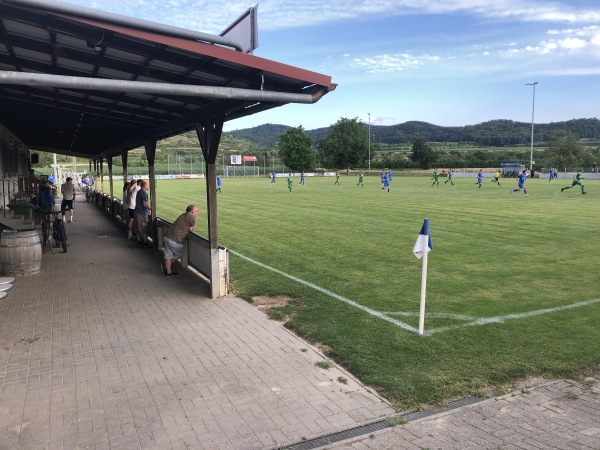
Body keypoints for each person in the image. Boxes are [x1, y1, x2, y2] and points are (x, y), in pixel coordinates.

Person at [162, 205, 199, 277]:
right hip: (175, 240)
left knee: (168, 255)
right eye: (196, 211)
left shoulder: (183, 215)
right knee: (178, 255)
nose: (197, 213)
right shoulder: (191, 217)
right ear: (192, 212)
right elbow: (191, 229)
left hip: (167, 237)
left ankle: (168, 272)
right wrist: (193, 229)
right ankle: (166, 267)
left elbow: (184, 227)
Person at [134, 180, 151, 248]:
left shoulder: (139, 192)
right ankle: (145, 243)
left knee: (137, 228)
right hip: (142, 213)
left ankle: (139, 242)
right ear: (145, 186)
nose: (149, 186)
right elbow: (145, 204)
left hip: (137, 212)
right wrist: (151, 209)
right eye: (148, 185)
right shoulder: (144, 193)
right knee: (144, 228)